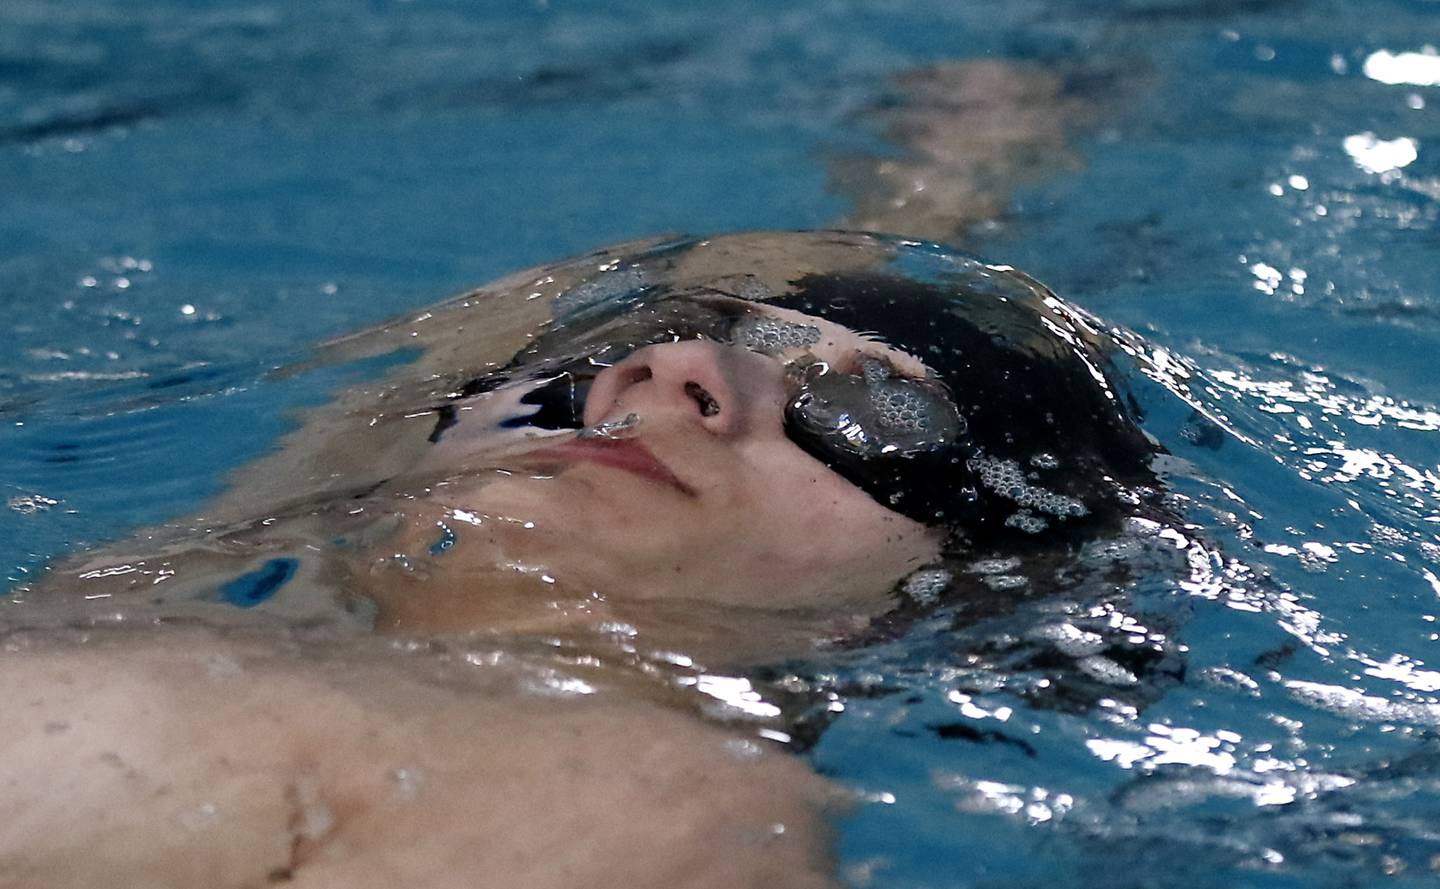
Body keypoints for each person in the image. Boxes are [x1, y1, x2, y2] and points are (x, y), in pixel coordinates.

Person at [2, 232, 1160, 888]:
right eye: (622, 349)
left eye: (872, 417)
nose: (667, 374)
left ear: (953, 598)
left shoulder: (652, 803)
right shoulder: (156, 578)